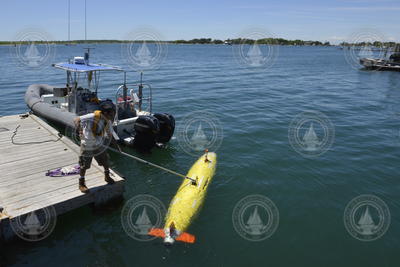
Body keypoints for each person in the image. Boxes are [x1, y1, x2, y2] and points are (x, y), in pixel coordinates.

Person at [74, 101, 120, 193]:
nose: (113, 115)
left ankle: (107, 176)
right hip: (87, 145)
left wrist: (117, 147)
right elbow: (76, 120)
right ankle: (81, 183)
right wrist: (78, 131)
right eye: (112, 113)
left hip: (99, 144)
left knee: (105, 161)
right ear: (106, 113)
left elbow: (110, 135)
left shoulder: (108, 121)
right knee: (84, 165)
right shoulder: (92, 117)